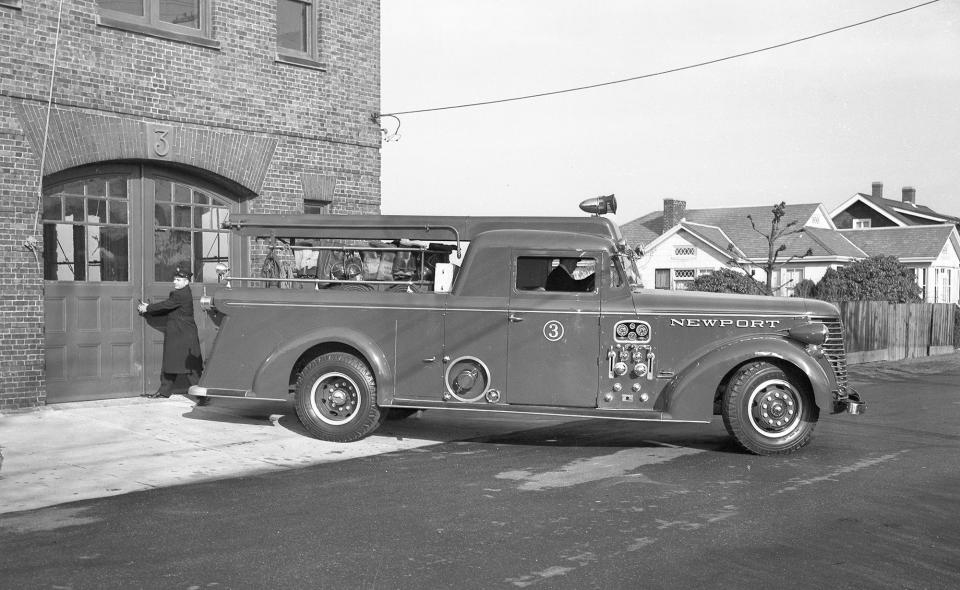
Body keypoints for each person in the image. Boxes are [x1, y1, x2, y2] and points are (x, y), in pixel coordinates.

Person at [138, 267, 203, 398]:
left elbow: (166, 305)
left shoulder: (181, 294)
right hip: (178, 333)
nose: (175, 282)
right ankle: (164, 392)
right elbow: (168, 308)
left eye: (178, 280)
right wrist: (149, 309)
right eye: (175, 279)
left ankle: (202, 396)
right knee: (170, 362)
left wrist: (147, 308)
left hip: (184, 335)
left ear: (186, 282)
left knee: (190, 367)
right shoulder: (180, 293)